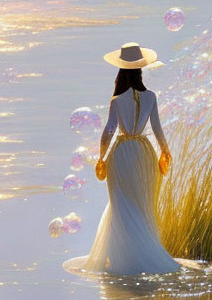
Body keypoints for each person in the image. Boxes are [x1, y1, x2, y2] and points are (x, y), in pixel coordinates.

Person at [66, 42, 180, 275]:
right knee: (142, 204)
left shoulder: (117, 99)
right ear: (140, 70)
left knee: (121, 204)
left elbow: (109, 130)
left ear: (121, 71)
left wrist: (101, 157)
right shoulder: (151, 97)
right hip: (144, 152)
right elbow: (157, 128)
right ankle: (145, 253)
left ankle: (124, 258)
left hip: (122, 152)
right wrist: (165, 151)